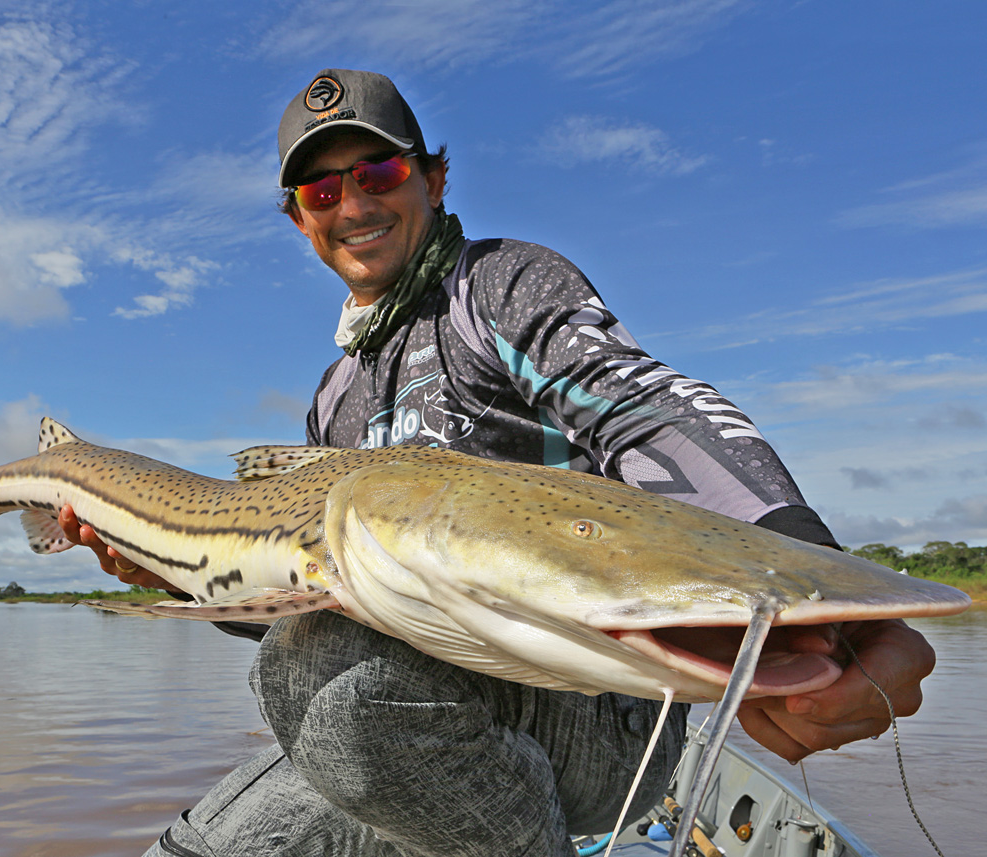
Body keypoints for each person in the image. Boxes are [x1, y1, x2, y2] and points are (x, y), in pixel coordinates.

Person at [60, 69, 937, 856]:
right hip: (401, 706)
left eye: (379, 173)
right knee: (277, 705)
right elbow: (305, 599)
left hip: (593, 711)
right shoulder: (334, 395)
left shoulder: (499, 291)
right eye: (322, 188)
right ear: (300, 219)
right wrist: (166, 572)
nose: (353, 203)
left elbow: (639, 404)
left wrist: (810, 577)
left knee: (318, 676)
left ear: (434, 178)